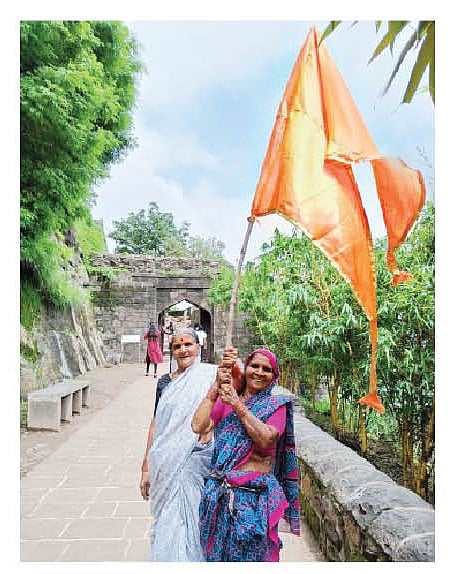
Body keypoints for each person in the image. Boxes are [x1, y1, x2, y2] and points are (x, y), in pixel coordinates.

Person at [192, 347, 301, 562]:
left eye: (266, 369)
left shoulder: (275, 407)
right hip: (220, 494)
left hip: (254, 499)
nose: (259, 372)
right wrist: (215, 388)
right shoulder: (226, 400)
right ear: (246, 369)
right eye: (254, 366)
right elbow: (198, 426)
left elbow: (266, 438)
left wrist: (237, 405)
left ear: (274, 377)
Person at [139, 328, 220, 561]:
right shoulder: (165, 383)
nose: (183, 350)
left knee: (193, 517)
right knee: (169, 520)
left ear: (198, 347)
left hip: (197, 459)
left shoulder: (210, 376)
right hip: (166, 461)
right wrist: (146, 468)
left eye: (188, 345)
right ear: (172, 352)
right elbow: (156, 423)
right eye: (177, 346)